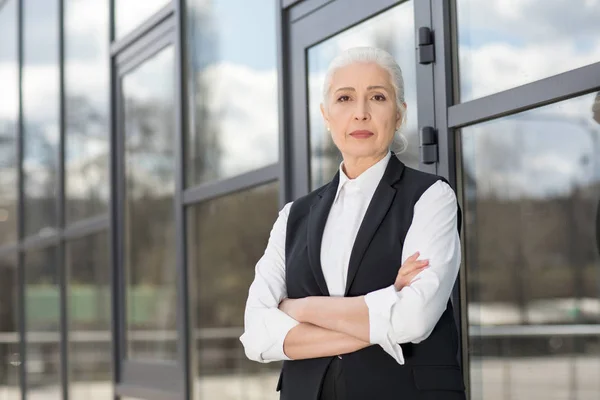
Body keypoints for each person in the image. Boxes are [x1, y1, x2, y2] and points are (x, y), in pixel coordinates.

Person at [240, 46, 465, 400]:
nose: (360, 113)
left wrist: (300, 309)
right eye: (345, 98)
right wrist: (386, 306)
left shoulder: (431, 197)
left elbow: (414, 320)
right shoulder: (292, 217)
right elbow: (256, 336)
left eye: (377, 97)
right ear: (326, 115)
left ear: (400, 113)